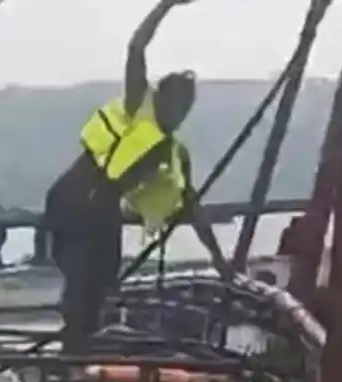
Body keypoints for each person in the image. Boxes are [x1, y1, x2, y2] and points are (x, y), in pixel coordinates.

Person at [44, 0, 230, 352]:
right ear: (161, 97)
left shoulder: (174, 153)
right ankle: (72, 355)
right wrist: (167, 5)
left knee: (102, 287)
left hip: (103, 214)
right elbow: (136, 46)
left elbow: (194, 209)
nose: (181, 113)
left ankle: (84, 353)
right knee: (81, 285)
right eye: (177, 104)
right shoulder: (136, 106)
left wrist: (222, 264)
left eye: (187, 108)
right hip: (73, 200)